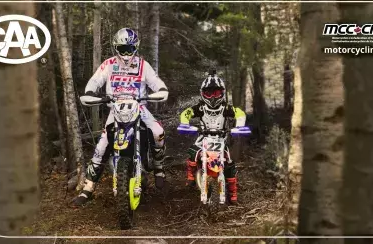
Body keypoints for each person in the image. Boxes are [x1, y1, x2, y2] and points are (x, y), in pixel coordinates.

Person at [72, 28, 169, 207]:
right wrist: (91, 93)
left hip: (139, 107)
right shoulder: (108, 64)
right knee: (101, 146)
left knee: (158, 132)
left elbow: (156, 83)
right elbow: (94, 81)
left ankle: (159, 168)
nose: (126, 53)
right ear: (116, 47)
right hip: (115, 110)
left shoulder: (142, 65)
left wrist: (161, 90)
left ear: (136, 48)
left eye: (129, 49)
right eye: (122, 48)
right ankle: (88, 188)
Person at [177, 70, 250, 204]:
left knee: (229, 162)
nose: (212, 97)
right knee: (193, 152)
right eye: (208, 93)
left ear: (222, 92)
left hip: (221, 139)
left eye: (216, 93)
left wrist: (239, 126)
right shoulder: (200, 107)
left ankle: (233, 193)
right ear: (202, 93)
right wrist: (185, 124)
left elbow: (239, 113)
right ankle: (191, 177)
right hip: (203, 139)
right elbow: (186, 113)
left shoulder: (226, 108)